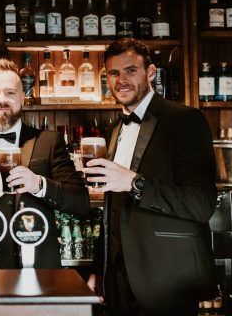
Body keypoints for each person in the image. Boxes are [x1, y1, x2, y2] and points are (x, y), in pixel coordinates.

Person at [85, 37, 217, 315]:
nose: (122, 79)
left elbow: (202, 203)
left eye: (131, 70)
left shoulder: (185, 121)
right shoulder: (114, 130)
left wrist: (134, 183)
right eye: (114, 73)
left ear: (151, 73)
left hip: (167, 280)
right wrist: (100, 269)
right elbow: (113, 211)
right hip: (117, 281)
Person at [0, 58, 89, 269]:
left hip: (38, 269)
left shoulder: (49, 142)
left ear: (23, 98)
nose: (1, 100)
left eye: (10, 93)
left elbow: (81, 203)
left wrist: (40, 185)